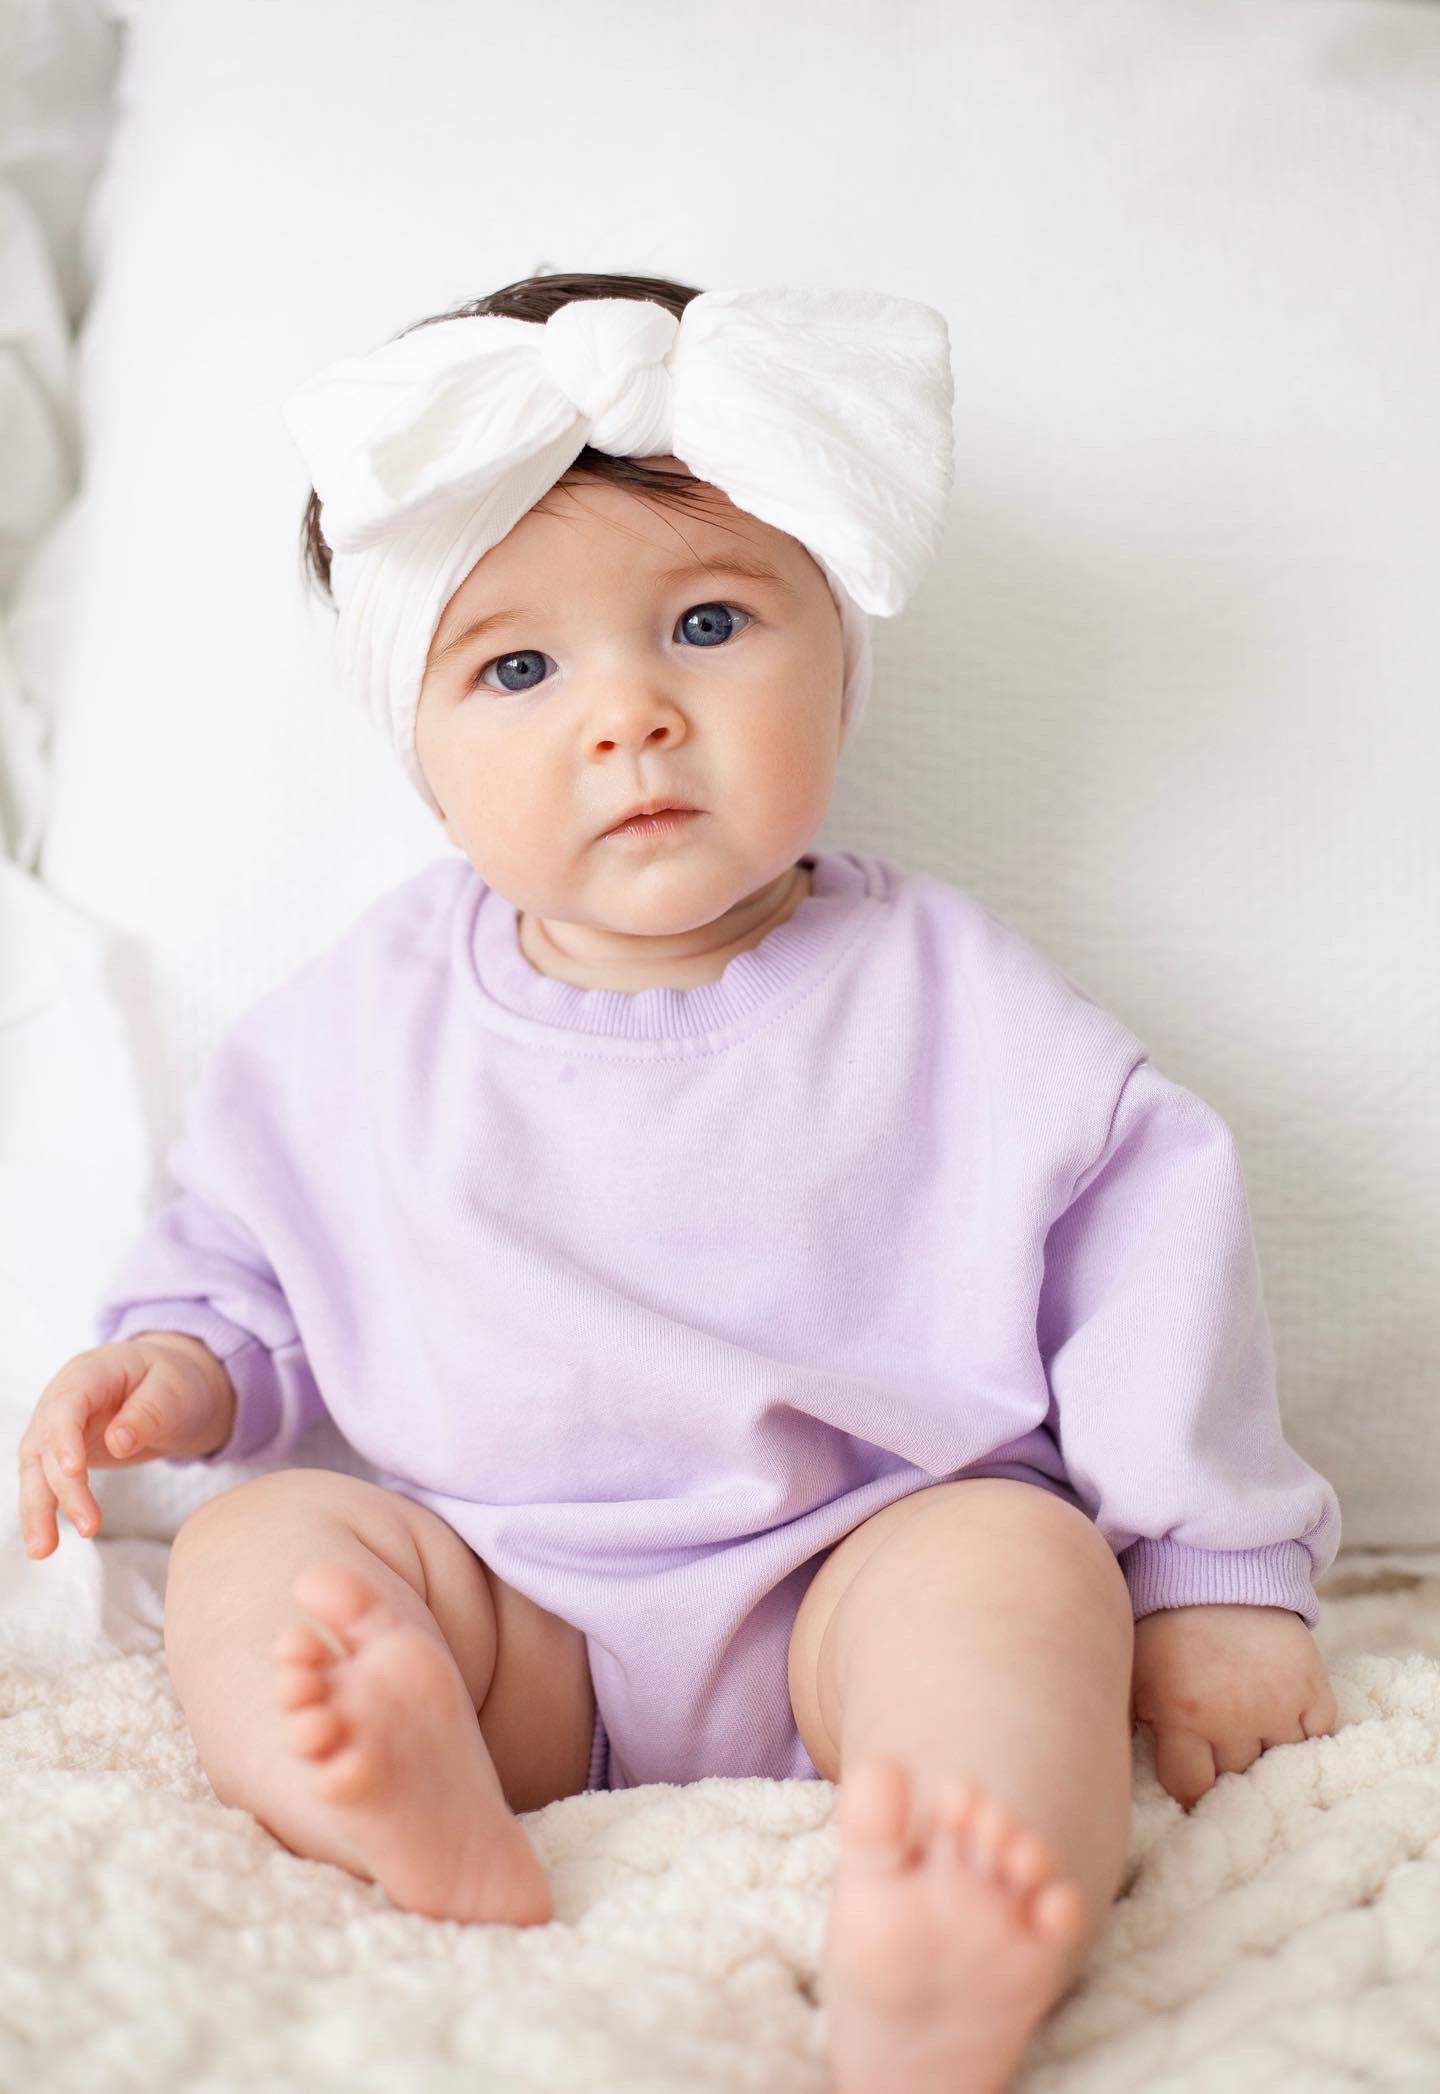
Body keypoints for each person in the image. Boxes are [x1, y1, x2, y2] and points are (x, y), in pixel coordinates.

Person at [16, 270, 1341, 2094]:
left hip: (856, 1568)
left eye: (710, 621)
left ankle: (955, 1903)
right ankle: (413, 1807)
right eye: (519, 667)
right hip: (507, 1605)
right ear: (419, 750)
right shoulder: (354, 1030)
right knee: (265, 1554)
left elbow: (1150, 1253)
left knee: (1019, 1576)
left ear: (839, 653)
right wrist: (174, 1365)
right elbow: (244, 1252)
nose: (629, 715)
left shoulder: (949, 997)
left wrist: (1209, 1572)